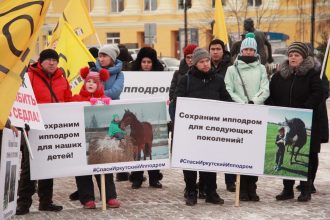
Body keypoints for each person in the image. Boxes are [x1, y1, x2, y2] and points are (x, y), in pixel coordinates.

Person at [16, 49, 72, 215]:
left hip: (53, 129)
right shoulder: (29, 76)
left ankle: (46, 201)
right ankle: (23, 202)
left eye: (54, 60)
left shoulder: (62, 78)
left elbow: (68, 100)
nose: (52, 63)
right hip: (32, 129)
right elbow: (21, 99)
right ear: (41, 62)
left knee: (48, 165)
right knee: (29, 166)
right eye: (48, 60)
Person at [174, 47, 232, 206]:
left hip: (211, 130)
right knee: (191, 162)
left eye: (207, 61)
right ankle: (191, 191)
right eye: (201, 62)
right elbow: (177, 102)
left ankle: (210, 191)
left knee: (210, 161)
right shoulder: (186, 80)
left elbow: (226, 100)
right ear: (195, 63)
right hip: (191, 130)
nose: (206, 64)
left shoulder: (218, 79)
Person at [268, 42, 323, 202]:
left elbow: (318, 93)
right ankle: (287, 189)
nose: (293, 57)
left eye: (296, 55)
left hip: (306, 120)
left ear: (303, 57)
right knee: (285, 149)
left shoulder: (311, 74)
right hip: (286, 122)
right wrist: (273, 107)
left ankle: (305, 189)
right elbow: (272, 94)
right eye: (291, 55)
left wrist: (305, 108)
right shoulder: (279, 75)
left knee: (308, 155)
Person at [224, 34, 269, 202]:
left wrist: (254, 102)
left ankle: (252, 187)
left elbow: (265, 89)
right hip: (239, 113)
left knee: (254, 153)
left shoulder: (262, 69)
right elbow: (229, 89)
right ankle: (241, 187)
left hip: (256, 113)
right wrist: (242, 102)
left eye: (252, 49)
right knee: (240, 152)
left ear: (255, 51)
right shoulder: (232, 69)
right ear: (241, 50)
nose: (249, 52)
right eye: (246, 49)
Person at [71, 67, 120, 209]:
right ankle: (87, 198)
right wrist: (83, 103)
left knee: (104, 167)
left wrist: (103, 103)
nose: (91, 84)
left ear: (100, 85)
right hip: (81, 141)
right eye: (88, 81)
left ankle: (110, 196)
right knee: (82, 170)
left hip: (99, 142)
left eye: (94, 82)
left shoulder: (104, 100)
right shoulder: (77, 98)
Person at [129, 47, 164, 189]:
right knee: (137, 147)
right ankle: (137, 177)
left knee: (150, 147)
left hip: (153, 116)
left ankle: (154, 177)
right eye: (144, 61)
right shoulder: (132, 76)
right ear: (140, 62)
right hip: (138, 117)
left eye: (149, 62)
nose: (146, 65)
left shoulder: (160, 76)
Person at [208, 38, 236, 192]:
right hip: (210, 111)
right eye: (213, 49)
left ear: (223, 50)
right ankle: (208, 181)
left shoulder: (231, 66)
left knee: (228, 148)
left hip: (226, 109)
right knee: (211, 147)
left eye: (218, 49)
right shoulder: (204, 64)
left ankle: (230, 180)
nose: (215, 52)